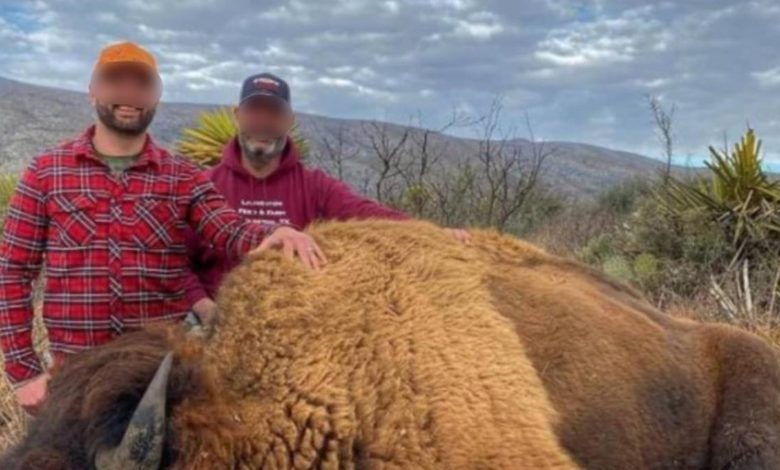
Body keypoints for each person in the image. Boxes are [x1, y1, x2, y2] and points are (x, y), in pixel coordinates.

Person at [0, 42, 325, 414]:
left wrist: (274, 234)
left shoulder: (182, 175)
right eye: (114, 81)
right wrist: (24, 372)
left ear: (157, 96)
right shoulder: (46, 172)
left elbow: (228, 229)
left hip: (161, 380)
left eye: (142, 84)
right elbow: (12, 272)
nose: (129, 94)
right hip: (76, 376)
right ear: (92, 91)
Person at [186, 72, 470, 322]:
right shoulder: (205, 185)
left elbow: (366, 213)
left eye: (273, 113)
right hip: (217, 318)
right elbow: (178, 263)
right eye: (254, 111)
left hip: (297, 320)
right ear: (238, 115)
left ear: (289, 120)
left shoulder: (315, 185)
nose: (263, 121)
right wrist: (208, 311)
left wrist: (431, 234)